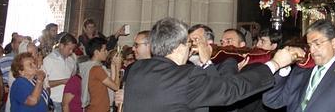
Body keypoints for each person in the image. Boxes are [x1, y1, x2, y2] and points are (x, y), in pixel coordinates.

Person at [122, 17, 298, 111]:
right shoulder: (186, 77)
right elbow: (230, 91)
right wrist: (275, 64)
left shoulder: (137, 69)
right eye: (188, 43)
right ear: (180, 47)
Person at [262, 19, 335, 112]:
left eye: (317, 44)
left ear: (334, 42)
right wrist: (283, 68)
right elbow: (271, 101)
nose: (312, 50)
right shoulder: (301, 71)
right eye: (310, 45)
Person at [79, 37, 120, 112]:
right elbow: (116, 87)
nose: (106, 52)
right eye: (104, 50)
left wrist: (113, 66)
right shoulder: (97, 69)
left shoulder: (89, 66)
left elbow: (111, 84)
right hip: (98, 109)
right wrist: (118, 67)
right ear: (96, 52)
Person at [43, 33, 78, 112]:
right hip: (54, 100)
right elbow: (44, 83)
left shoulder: (71, 61)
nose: (71, 52)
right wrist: (62, 81)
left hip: (67, 101)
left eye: (73, 49)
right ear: (61, 46)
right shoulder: (49, 60)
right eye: (69, 49)